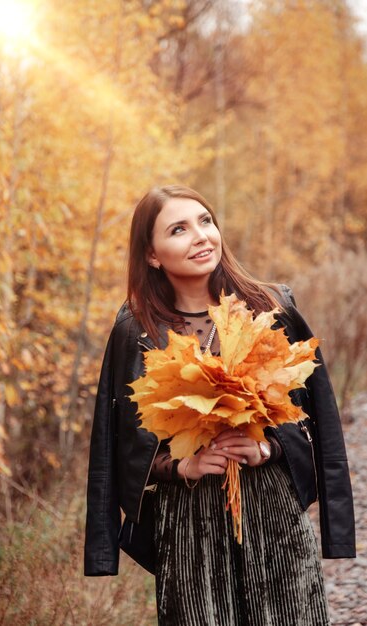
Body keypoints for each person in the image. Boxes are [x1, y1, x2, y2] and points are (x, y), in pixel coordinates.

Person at [84, 185, 355, 625]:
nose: (200, 236)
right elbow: (118, 442)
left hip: (272, 511)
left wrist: (268, 448)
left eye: (205, 221)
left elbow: (315, 414)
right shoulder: (137, 328)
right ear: (152, 254)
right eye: (178, 229)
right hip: (189, 519)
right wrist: (182, 466)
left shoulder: (270, 308)